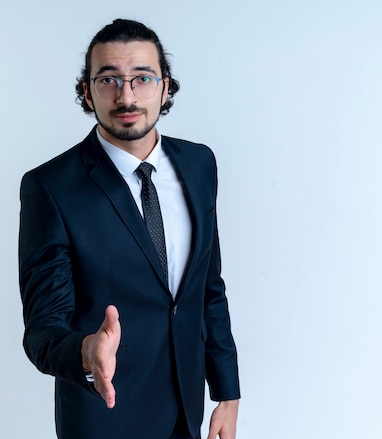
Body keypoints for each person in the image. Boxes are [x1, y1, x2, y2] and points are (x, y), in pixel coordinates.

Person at [18, 18, 240, 439]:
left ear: (165, 86)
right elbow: (43, 329)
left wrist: (227, 393)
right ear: (87, 91)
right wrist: (86, 351)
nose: (126, 95)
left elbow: (208, 287)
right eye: (108, 80)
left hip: (187, 413)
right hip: (106, 417)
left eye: (142, 78)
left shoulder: (200, 164)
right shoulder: (50, 187)